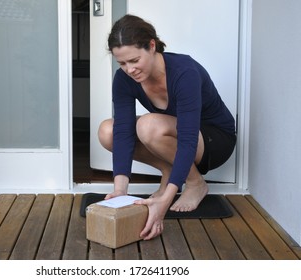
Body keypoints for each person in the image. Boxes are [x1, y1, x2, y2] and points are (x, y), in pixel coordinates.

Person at [98, 15, 236, 241]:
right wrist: (120, 190)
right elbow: (123, 131)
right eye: (122, 63)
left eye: (134, 60)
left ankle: (195, 183)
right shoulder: (123, 79)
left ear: (152, 46)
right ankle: (171, 171)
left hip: (213, 138)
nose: (129, 70)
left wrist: (166, 198)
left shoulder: (184, 72)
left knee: (148, 125)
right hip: (176, 135)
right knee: (108, 131)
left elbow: (188, 137)